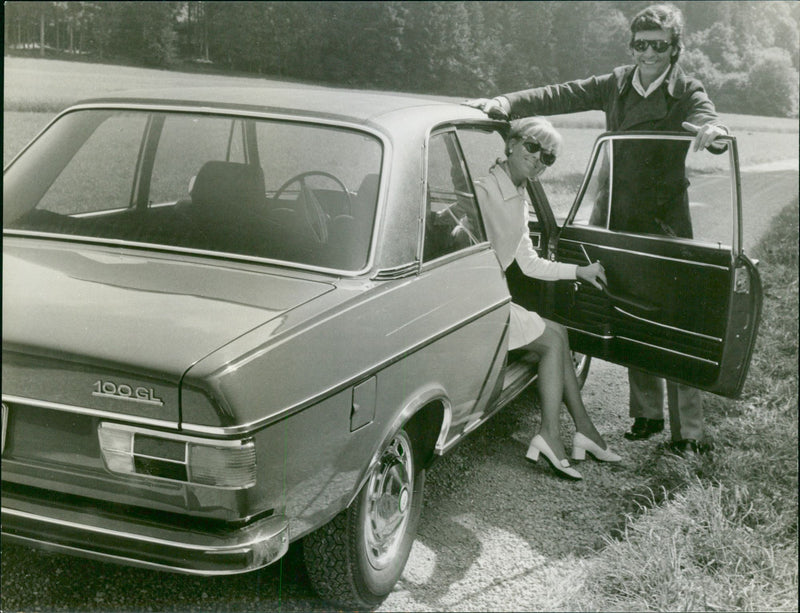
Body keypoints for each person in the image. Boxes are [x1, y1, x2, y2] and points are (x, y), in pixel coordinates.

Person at [466, 3, 726, 455]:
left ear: (674, 48)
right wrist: (508, 102)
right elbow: (560, 95)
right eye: (639, 44)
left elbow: (707, 118)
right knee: (630, 308)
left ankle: (690, 433)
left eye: (657, 46)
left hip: (663, 220)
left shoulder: (687, 89)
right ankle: (646, 416)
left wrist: (712, 130)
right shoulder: (618, 83)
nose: (647, 53)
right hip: (615, 213)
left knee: (672, 315)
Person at [474, 116, 621, 481]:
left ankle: (583, 431)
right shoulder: (484, 189)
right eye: (533, 146)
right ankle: (551, 436)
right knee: (553, 342)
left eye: (549, 157)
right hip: (474, 305)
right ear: (511, 143)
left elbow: (528, 262)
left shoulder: (518, 194)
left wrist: (579, 271)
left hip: (490, 299)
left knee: (558, 332)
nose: (539, 158)